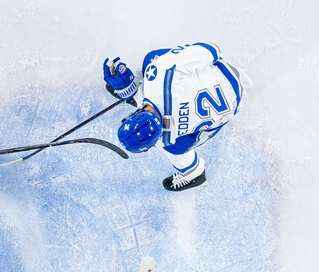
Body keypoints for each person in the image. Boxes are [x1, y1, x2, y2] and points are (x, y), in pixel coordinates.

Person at [102, 42, 252, 192]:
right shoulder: (158, 74)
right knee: (150, 60)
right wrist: (130, 86)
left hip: (234, 105)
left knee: (176, 148)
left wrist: (129, 90)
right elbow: (212, 49)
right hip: (227, 76)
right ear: (134, 114)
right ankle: (135, 92)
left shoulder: (165, 140)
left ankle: (194, 173)